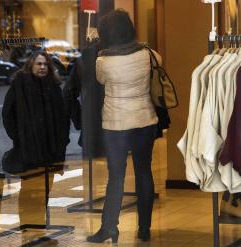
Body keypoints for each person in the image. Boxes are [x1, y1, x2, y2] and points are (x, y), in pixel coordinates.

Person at [86, 9, 160, 244]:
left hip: (116, 125)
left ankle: (109, 228)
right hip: (144, 121)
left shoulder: (103, 61)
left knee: (115, 177)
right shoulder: (148, 54)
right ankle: (145, 229)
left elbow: (101, 80)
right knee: (144, 172)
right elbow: (159, 62)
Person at [2, 51, 70, 243]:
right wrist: (19, 137)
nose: (42, 67)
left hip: (51, 150)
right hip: (29, 150)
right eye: (38, 64)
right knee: (29, 192)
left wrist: (61, 144)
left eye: (45, 64)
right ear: (30, 66)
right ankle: (27, 233)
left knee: (44, 192)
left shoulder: (54, 86)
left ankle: (39, 233)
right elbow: (7, 113)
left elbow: (63, 118)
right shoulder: (20, 84)